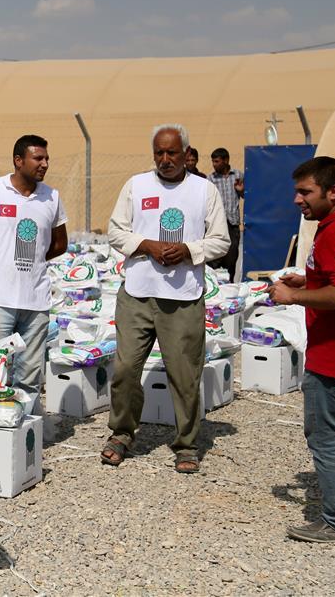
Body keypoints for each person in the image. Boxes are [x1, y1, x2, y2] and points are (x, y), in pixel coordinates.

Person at [101, 124, 230, 473]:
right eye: (159, 152)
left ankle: (186, 444)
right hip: (138, 295)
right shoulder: (136, 185)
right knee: (126, 369)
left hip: (183, 299)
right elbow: (116, 230)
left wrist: (189, 250)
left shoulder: (203, 191)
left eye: (172, 153)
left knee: (185, 374)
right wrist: (148, 246)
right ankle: (121, 433)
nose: (165, 159)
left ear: (186, 154)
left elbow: (221, 240)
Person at [268, 156, 335, 543]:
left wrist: (294, 294)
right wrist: (311, 277)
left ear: (334, 192)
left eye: (305, 192)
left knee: (327, 439)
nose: (298, 200)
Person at [0, 134, 68, 408]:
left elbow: (60, 243)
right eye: (38, 158)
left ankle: (25, 433)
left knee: (30, 375)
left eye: (46, 159)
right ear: (18, 161)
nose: (44, 164)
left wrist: (32, 261)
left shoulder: (52, 197)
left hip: (36, 302)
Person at [208, 147, 244, 281]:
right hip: (217, 224)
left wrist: (240, 190)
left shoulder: (238, 176)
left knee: (231, 258)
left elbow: (247, 196)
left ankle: (230, 284)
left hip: (233, 224)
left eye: (217, 161)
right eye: (213, 161)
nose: (214, 164)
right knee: (215, 258)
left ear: (226, 160)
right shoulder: (211, 179)